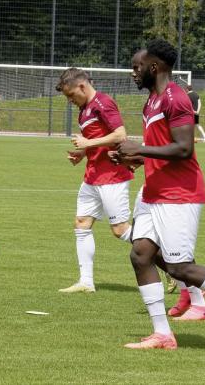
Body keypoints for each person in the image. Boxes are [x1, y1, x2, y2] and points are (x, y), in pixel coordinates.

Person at [113, 40, 205, 349]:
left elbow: (184, 149)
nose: (134, 73)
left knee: (180, 267)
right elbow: (161, 148)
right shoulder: (151, 102)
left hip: (179, 194)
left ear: (154, 67)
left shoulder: (176, 98)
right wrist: (136, 159)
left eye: (137, 67)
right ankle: (163, 334)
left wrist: (139, 147)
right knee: (141, 254)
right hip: (154, 192)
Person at [54, 68, 134, 293]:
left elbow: (120, 135)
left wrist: (87, 144)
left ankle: (171, 263)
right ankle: (86, 282)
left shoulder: (103, 102)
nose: (70, 101)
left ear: (82, 86)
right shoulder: (84, 110)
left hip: (112, 176)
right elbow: (97, 141)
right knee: (81, 223)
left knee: (120, 230)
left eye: (71, 95)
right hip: (93, 175)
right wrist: (82, 153)